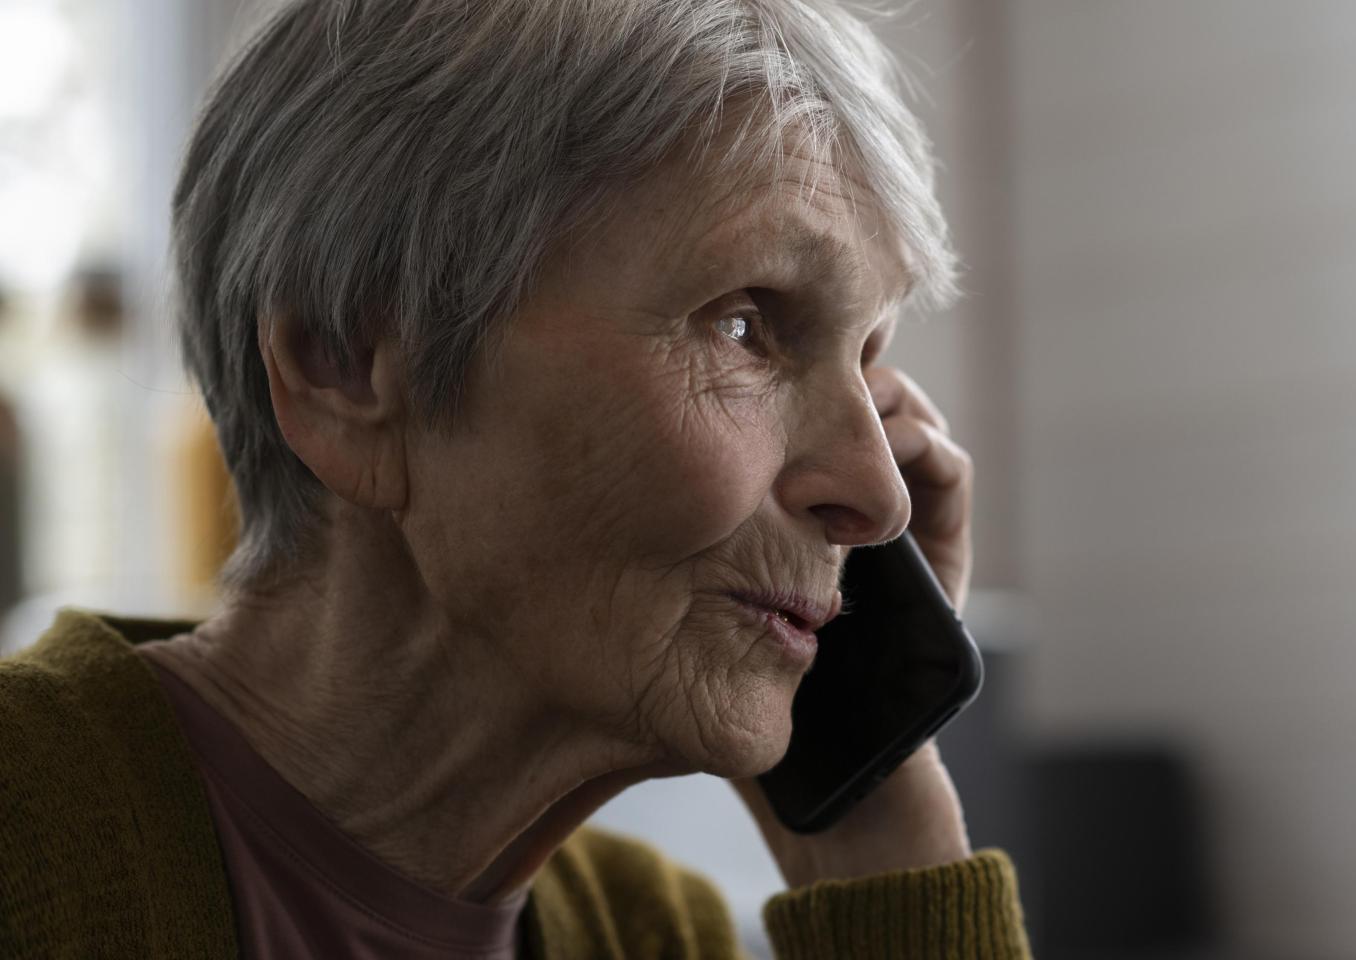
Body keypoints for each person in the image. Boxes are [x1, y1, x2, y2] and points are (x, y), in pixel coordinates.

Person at [0, 0, 1031, 956]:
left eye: (866, 359)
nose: (880, 494)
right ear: (341, 365)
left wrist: (873, 801)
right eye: (744, 325)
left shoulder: (651, 934)